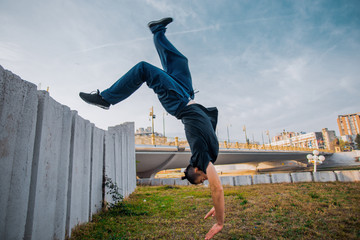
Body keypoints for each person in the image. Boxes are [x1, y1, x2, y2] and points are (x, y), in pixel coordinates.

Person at [79, 17, 224, 240]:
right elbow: (217, 191)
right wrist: (217, 207)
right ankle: (158, 31)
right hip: (186, 93)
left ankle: (105, 98)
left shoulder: (200, 155)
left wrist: (219, 222)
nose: (209, 179)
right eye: (206, 181)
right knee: (181, 61)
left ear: (196, 169)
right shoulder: (210, 155)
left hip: (177, 101)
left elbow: (217, 189)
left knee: (143, 69)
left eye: (203, 179)